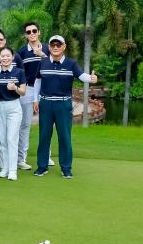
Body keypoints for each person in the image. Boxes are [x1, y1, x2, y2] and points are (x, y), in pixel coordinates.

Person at [33, 35, 98, 178]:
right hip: (46, 103)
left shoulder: (71, 63)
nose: (55, 47)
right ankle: (42, 166)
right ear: (49, 47)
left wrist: (91, 78)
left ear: (64, 47)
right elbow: (37, 81)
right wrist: (35, 100)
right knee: (44, 136)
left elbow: (82, 76)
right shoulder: (43, 62)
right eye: (53, 45)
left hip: (63, 104)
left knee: (64, 136)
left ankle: (66, 168)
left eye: (58, 45)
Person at [0, 47, 27, 181]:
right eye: (3, 56)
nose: (5, 58)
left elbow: (23, 92)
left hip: (14, 106)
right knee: (1, 139)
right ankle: (5, 168)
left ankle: (13, 170)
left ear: (12, 57)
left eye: (8, 56)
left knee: (11, 139)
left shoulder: (19, 72)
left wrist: (15, 88)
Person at [16, 21, 47, 170]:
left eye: (34, 31)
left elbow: (55, 65)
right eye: (28, 32)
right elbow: (18, 73)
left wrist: (43, 55)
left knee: (47, 124)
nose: (32, 33)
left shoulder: (47, 48)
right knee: (25, 125)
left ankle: (46, 156)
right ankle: (21, 158)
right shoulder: (21, 52)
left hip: (46, 89)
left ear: (39, 32)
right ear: (25, 35)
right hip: (27, 89)